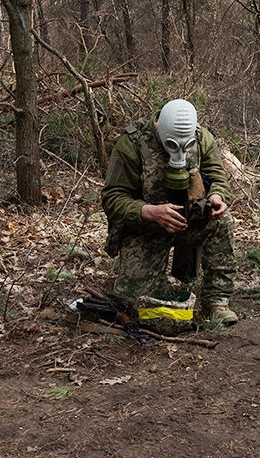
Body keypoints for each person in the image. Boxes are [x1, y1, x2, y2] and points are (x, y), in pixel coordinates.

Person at [100, 99, 238, 326]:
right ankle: (155, 285)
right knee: (136, 306)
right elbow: (112, 197)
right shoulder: (131, 144)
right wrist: (148, 211)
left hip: (189, 220)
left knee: (222, 222)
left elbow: (217, 175)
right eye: (173, 144)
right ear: (159, 130)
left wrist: (217, 196)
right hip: (145, 229)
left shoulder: (202, 138)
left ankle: (217, 301)